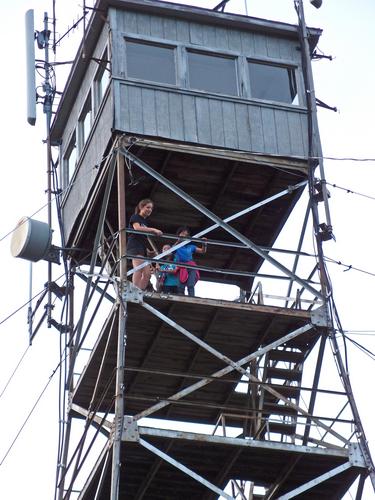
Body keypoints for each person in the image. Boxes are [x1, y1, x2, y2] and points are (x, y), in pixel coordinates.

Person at [127, 198, 162, 290]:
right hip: (134, 246)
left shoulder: (144, 221)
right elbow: (137, 228)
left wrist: (148, 251)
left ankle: (139, 291)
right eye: (148, 207)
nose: (150, 210)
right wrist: (153, 229)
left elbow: (142, 238)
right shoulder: (135, 217)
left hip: (142, 248)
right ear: (141, 207)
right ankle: (135, 290)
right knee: (138, 269)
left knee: (147, 274)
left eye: (151, 208)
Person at [174, 226, 207, 297]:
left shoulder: (191, 246)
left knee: (190, 284)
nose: (184, 236)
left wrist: (204, 243)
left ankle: (192, 297)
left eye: (186, 235)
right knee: (180, 286)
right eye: (182, 233)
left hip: (191, 266)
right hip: (181, 266)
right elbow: (171, 251)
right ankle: (180, 299)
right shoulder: (176, 246)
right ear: (178, 234)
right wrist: (179, 240)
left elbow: (202, 251)